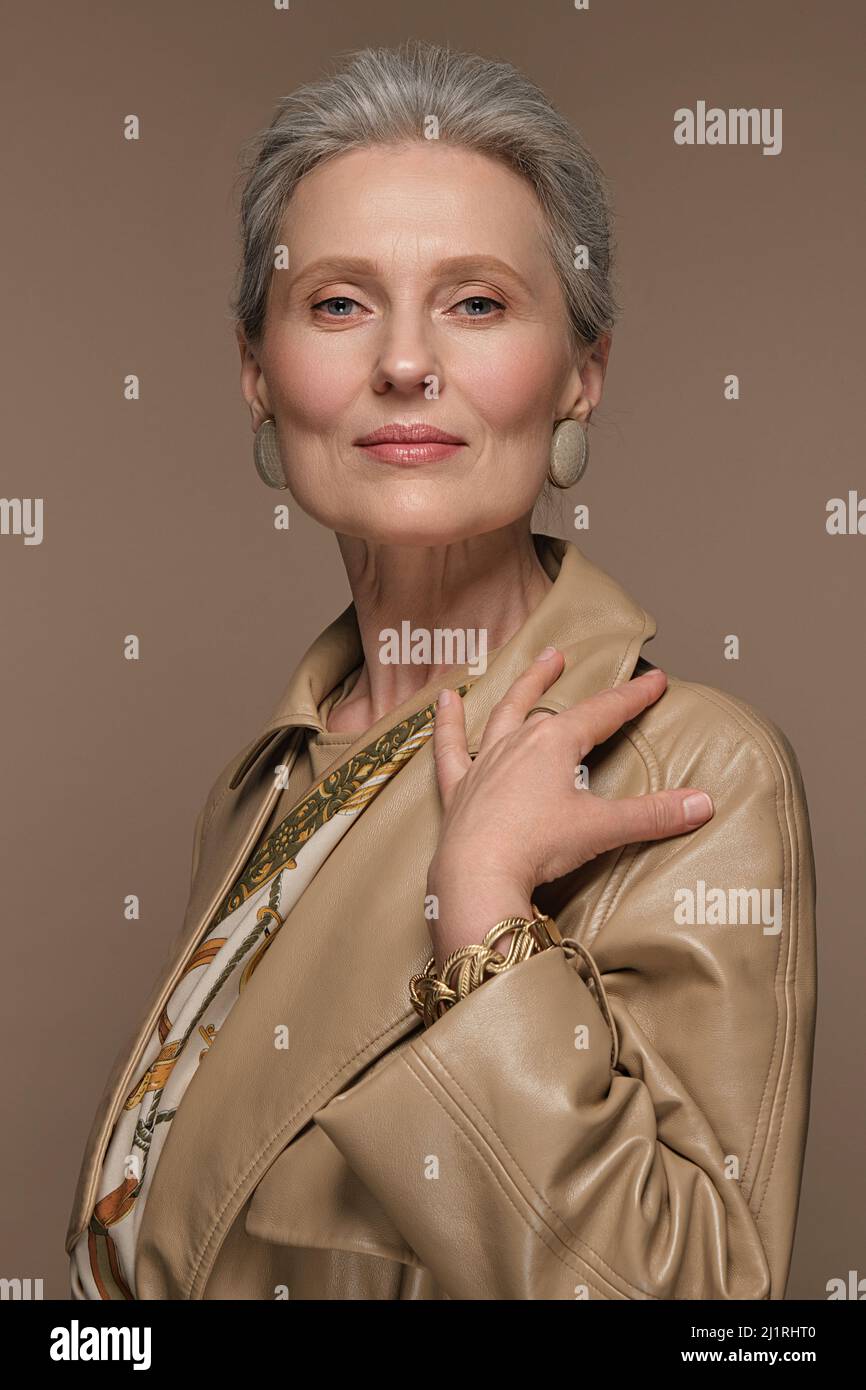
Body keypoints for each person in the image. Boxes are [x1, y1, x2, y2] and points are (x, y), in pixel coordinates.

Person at [67, 38, 816, 1301]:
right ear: (257, 371)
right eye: (338, 302)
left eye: (475, 302)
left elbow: (687, 1309)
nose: (404, 363)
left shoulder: (693, 769)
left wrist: (481, 921)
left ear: (581, 370)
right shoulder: (263, 784)